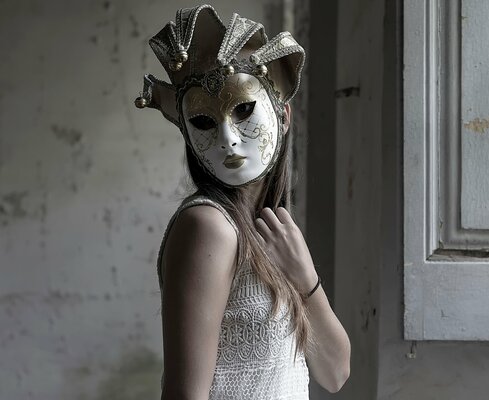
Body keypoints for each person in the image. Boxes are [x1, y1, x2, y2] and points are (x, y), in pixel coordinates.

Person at [134, 5, 351, 400]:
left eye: (244, 109)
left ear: (283, 115)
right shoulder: (208, 226)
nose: (228, 139)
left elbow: (335, 373)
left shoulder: (272, 233)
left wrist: (306, 279)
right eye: (203, 121)